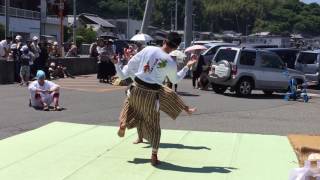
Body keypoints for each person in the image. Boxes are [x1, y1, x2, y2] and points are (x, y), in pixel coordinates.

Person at [113, 32, 197, 166]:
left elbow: (131, 65)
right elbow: (175, 79)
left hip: (136, 88)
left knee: (129, 104)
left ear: (164, 41)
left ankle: (123, 123)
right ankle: (154, 155)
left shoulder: (148, 49)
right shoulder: (170, 61)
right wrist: (188, 66)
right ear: (175, 48)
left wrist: (119, 66)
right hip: (152, 93)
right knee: (154, 124)